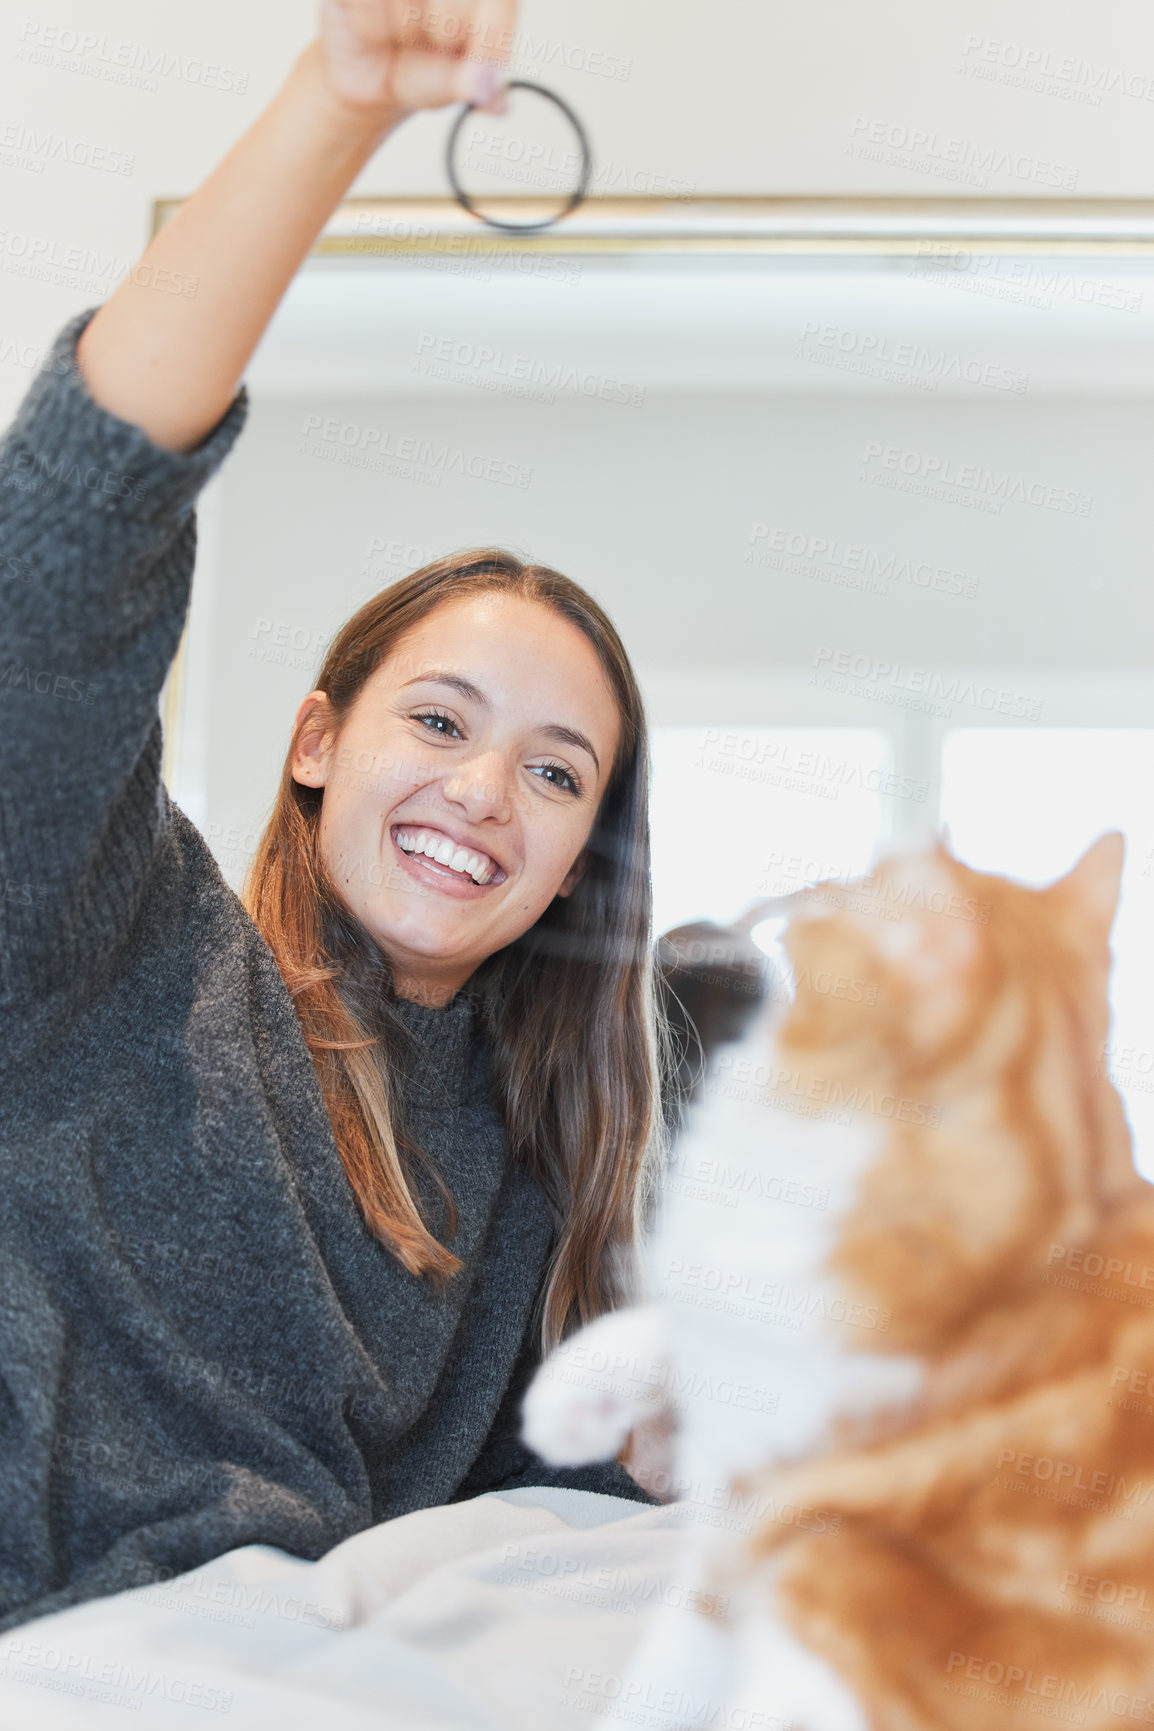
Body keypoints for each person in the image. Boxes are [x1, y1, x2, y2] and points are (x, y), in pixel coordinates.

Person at [0, 0, 664, 1636]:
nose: (482, 794)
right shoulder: (119, 939)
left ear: (585, 854)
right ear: (314, 738)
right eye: (439, 721)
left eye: (556, 770)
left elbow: (538, 1529)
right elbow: (74, 532)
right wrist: (336, 105)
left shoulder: (548, 1172)